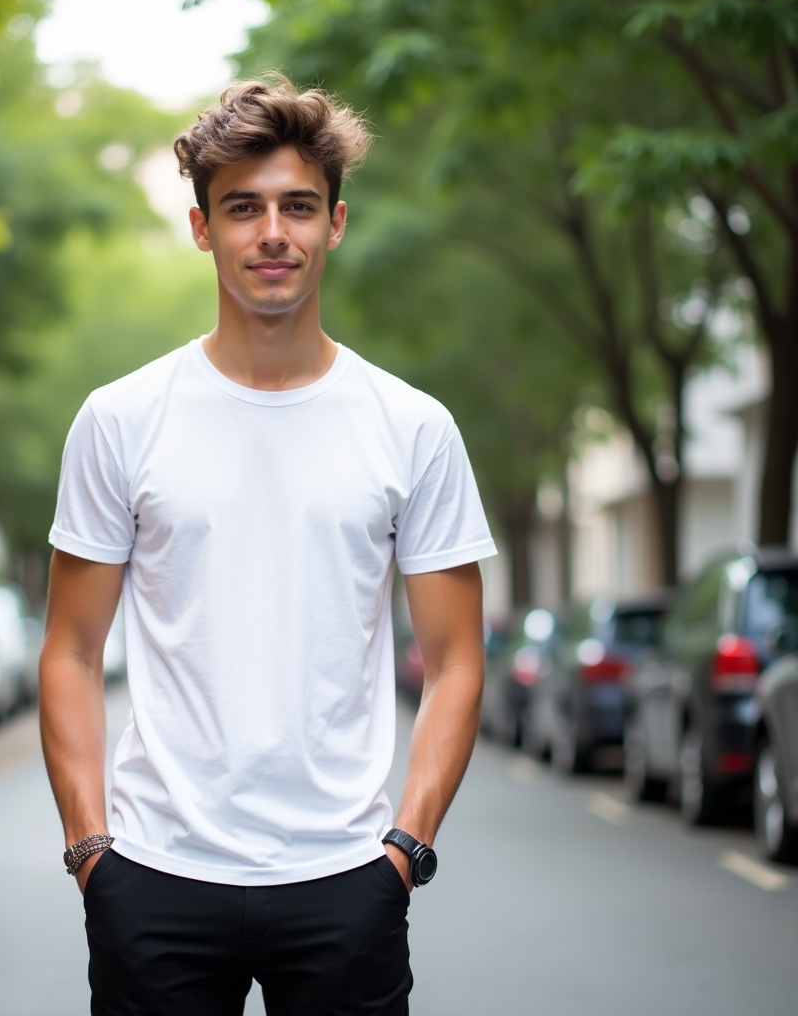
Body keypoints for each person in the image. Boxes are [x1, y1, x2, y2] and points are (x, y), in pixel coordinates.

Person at [39, 75, 497, 1016]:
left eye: (298, 206)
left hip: (346, 879)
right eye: (243, 209)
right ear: (204, 228)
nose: (273, 233)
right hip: (156, 877)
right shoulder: (120, 420)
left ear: (336, 222)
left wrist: (404, 853)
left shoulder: (412, 427)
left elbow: (455, 662)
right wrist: (93, 854)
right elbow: (70, 652)